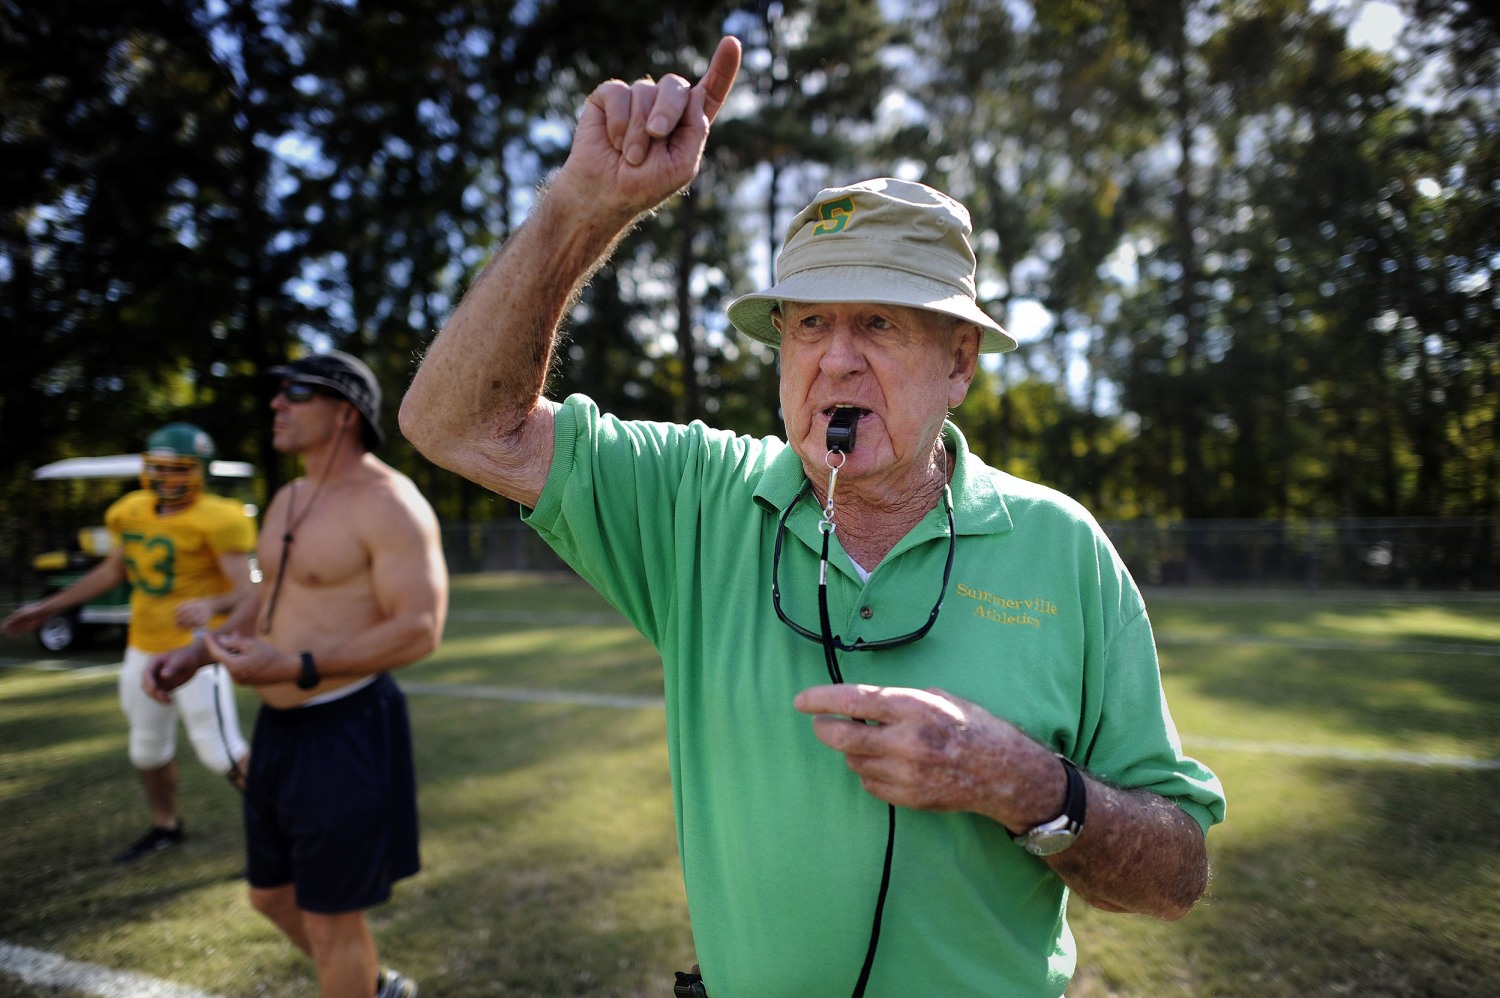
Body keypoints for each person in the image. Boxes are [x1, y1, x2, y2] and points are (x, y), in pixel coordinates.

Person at [400, 35, 1226, 998]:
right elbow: (454, 423)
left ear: (960, 360)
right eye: (806, 323)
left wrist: (1031, 788)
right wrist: (586, 207)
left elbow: (1177, 878)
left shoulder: (1064, 548)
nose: (834, 360)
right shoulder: (696, 499)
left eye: (879, 321)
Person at [143, 352, 448, 998]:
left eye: (294, 393)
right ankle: (374, 986)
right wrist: (199, 653)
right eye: (277, 391)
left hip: (346, 725)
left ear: (344, 413)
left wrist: (300, 666)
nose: (277, 404)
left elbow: (420, 627)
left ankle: (358, 982)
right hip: (277, 728)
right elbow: (269, 599)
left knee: (331, 916)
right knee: (270, 895)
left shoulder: (390, 503)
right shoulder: (288, 497)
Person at [3, 422, 257, 862]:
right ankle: (166, 825)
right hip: (143, 644)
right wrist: (48, 608)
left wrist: (210, 601)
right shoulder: (130, 510)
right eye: (158, 468)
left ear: (200, 472)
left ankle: (286, 830)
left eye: (178, 470)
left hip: (196, 648)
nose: (166, 478)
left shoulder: (220, 518)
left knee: (221, 752)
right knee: (146, 747)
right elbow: (112, 572)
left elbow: (248, 592)